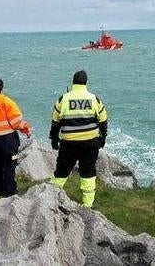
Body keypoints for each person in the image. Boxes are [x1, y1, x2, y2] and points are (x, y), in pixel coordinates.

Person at [49, 70, 108, 208]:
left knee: (62, 170)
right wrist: (102, 138)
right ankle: (87, 204)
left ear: (73, 82)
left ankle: (52, 196)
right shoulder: (94, 99)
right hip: (90, 142)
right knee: (88, 171)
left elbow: (55, 122)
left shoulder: (63, 99)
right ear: (86, 82)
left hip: (68, 143)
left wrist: (54, 139)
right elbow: (103, 121)